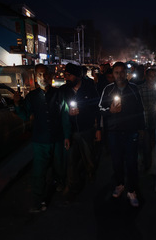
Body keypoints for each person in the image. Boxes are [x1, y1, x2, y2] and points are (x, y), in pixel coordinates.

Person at [14, 64, 71, 213]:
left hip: (58, 138)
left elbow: (65, 115)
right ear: (35, 77)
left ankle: (60, 182)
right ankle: (38, 200)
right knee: (39, 172)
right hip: (40, 141)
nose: (43, 78)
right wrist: (17, 104)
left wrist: (66, 136)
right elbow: (25, 115)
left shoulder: (58, 94)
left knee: (60, 165)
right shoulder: (32, 97)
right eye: (39, 75)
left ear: (50, 76)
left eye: (45, 74)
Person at [99, 62, 145, 207]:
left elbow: (140, 110)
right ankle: (119, 185)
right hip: (114, 133)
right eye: (116, 72)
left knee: (131, 162)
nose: (119, 75)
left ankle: (131, 190)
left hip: (131, 132)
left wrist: (141, 129)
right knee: (117, 161)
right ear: (113, 74)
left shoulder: (134, 89)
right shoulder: (107, 89)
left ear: (126, 73)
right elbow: (100, 108)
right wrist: (109, 111)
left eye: (121, 72)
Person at [60, 63, 101, 202]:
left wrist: (98, 129)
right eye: (65, 75)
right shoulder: (64, 90)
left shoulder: (89, 89)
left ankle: (90, 173)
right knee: (71, 161)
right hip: (71, 132)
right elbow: (60, 110)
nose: (66, 78)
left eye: (69, 75)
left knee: (89, 157)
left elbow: (96, 109)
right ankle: (71, 186)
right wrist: (68, 113)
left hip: (87, 130)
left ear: (78, 76)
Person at [138, 68, 156, 171]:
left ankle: (153, 164)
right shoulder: (140, 88)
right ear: (146, 77)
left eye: (154, 76)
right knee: (145, 145)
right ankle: (146, 164)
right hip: (144, 120)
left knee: (155, 144)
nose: (152, 78)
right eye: (150, 76)